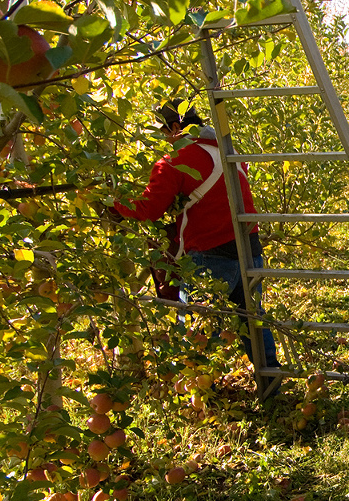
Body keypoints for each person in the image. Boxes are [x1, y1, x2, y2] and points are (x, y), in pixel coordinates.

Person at [115, 100, 281, 394]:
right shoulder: (229, 154)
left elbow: (148, 208)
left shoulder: (175, 160)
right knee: (253, 319)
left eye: (164, 133)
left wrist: (113, 200)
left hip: (210, 254)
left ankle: (201, 397)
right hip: (249, 247)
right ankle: (271, 384)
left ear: (176, 128)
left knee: (198, 331)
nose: (164, 140)